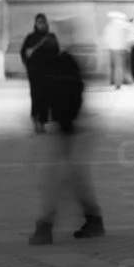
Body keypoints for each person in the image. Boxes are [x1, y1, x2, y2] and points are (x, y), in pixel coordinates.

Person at [29, 49, 104, 244]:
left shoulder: (54, 64)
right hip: (64, 125)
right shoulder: (47, 63)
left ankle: (47, 224)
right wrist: (40, 117)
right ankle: (91, 218)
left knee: (55, 176)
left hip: (69, 126)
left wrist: (46, 118)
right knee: (65, 176)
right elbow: (41, 94)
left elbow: (50, 94)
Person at [21, 13, 59, 133]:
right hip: (35, 72)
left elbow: (56, 52)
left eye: (43, 22)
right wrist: (28, 66)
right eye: (39, 22)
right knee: (36, 96)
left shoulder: (51, 37)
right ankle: (36, 118)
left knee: (46, 97)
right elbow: (23, 52)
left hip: (47, 72)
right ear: (36, 24)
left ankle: (41, 121)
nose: (41, 24)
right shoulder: (30, 38)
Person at [103, 11, 133, 89]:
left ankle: (117, 82)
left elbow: (106, 38)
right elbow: (130, 37)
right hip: (121, 48)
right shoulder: (124, 26)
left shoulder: (109, 26)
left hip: (113, 49)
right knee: (120, 66)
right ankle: (121, 81)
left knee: (116, 66)